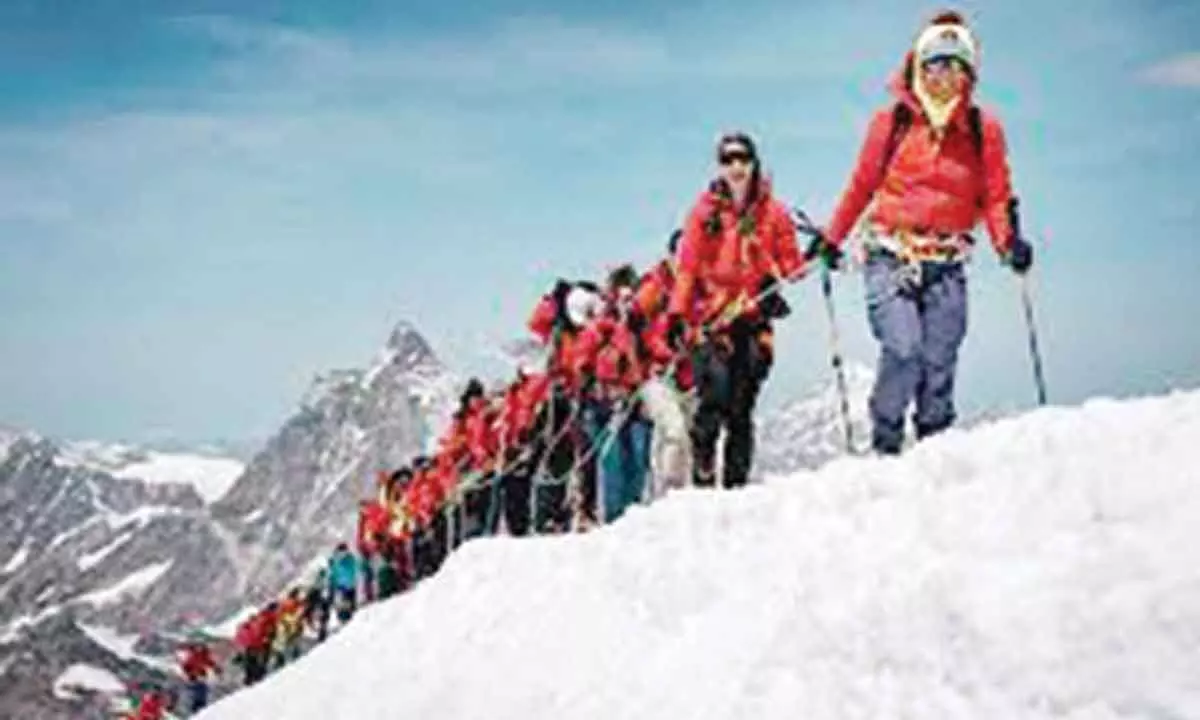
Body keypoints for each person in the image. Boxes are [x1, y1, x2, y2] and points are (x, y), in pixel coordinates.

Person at [814, 10, 1033, 454]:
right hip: (891, 254)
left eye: (955, 65)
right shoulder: (891, 121)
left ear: (969, 73)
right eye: (934, 63)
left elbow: (995, 194)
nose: (943, 75)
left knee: (939, 362)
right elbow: (862, 185)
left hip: (948, 262)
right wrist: (831, 238)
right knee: (903, 349)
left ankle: (934, 450)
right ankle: (887, 440)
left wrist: (1007, 242)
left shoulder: (981, 128)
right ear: (918, 64)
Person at [666, 131, 805, 488]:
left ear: (754, 161)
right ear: (720, 166)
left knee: (742, 406)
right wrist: (677, 313)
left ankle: (736, 486)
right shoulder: (704, 213)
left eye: (742, 158)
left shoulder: (773, 212)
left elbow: (790, 263)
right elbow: (689, 266)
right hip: (711, 319)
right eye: (728, 160)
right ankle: (703, 461)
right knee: (715, 394)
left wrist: (805, 262)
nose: (736, 166)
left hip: (752, 317)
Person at [573, 264, 654, 523]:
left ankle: (633, 511)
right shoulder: (601, 326)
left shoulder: (641, 325)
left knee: (639, 456)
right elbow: (582, 359)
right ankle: (616, 517)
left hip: (636, 398)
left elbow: (654, 351)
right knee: (615, 458)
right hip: (606, 402)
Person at [636, 230, 696, 496]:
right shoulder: (655, 289)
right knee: (674, 430)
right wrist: (661, 351)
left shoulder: (701, 287)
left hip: (690, 375)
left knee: (690, 436)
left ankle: (683, 490)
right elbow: (636, 330)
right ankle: (670, 490)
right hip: (658, 374)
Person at [178, 633, 219, 712]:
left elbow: (209, 662)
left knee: (203, 691)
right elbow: (186, 665)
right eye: (199, 647)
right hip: (194, 676)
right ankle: (196, 709)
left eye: (202, 647)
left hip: (200, 675)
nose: (200, 648)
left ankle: (200, 708)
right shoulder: (193, 655)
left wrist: (216, 668)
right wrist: (189, 674)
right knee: (198, 691)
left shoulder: (204, 654)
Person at [326, 543, 360, 624]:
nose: (342, 553)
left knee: (350, 604)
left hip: (350, 586)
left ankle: (350, 618)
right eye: (341, 551)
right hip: (341, 586)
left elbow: (355, 570)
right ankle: (343, 618)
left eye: (344, 551)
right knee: (342, 604)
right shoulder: (335, 561)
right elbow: (332, 574)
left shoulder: (350, 559)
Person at [303, 569, 331, 643]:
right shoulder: (324, 582)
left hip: (316, 606)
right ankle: (321, 634)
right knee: (322, 620)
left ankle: (320, 633)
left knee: (320, 620)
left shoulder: (317, 583)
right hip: (319, 606)